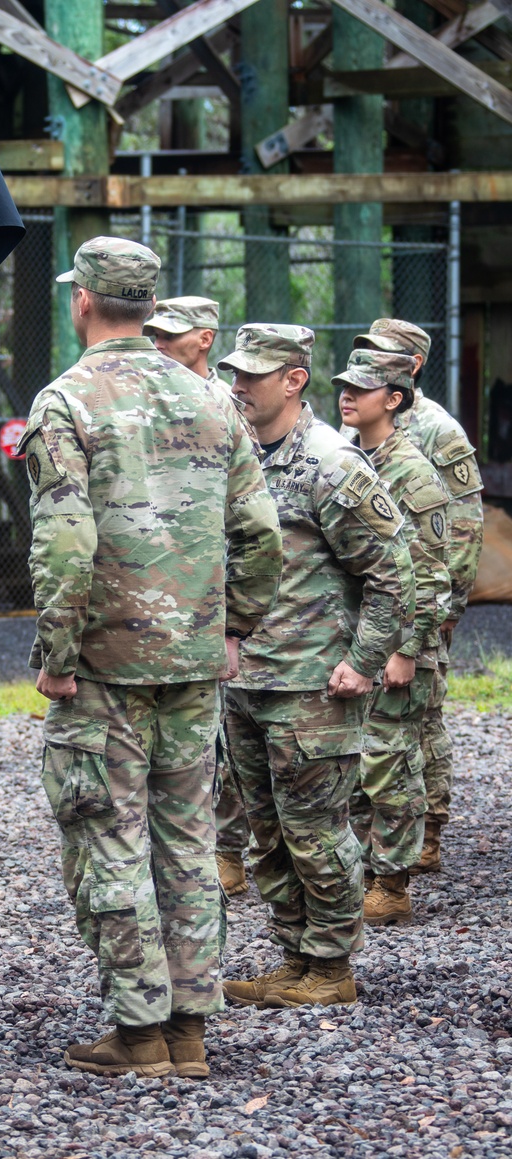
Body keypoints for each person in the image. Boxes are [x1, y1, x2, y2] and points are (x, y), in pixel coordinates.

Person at [20, 238, 281, 1078]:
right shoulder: (212, 401)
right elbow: (262, 533)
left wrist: (56, 651)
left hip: (104, 665)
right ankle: (190, 1030)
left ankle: (138, 1033)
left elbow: (65, 542)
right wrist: (235, 627)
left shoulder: (67, 401)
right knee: (187, 838)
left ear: (84, 303)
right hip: (194, 659)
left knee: (110, 837)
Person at [217, 324, 414, 1011]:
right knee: (268, 832)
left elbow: (394, 571)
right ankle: (295, 955)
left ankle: (330, 965)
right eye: (234, 373)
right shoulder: (239, 453)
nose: (238, 385)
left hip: (312, 687)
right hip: (245, 678)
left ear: (294, 379)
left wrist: (364, 663)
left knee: (315, 831)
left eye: (253, 375)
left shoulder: (331, 463)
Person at [351, 319, 484, 874]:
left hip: (421, 608)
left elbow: (462, 530)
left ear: (412, 367)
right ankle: (380, 843)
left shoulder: (436, 432)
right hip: (373, 612)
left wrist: (440, 614)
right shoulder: (356, 433)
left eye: (384, 357)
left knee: (418, 724)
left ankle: (425, 834)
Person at [144, 295, 254, 897]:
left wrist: (238, 615)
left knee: (227, 741)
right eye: (153, 331)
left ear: (205, 339)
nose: (158, 342)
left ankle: (227, 854)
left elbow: (250, 518)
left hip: (217, 600)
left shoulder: (225, 407)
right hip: (159, 595)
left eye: (172, 334)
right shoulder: (145, 398)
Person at [337, 349, 450, 924]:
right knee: (356, 763)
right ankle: (362, 869)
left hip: (401, 644)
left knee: (390, 760)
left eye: (363, 388)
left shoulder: (412, 470)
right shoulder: (351, 457)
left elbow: (432, 569)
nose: (347, 395)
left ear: (396, 399)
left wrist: (408, 649)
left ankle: (394, 883)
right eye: (345, 385)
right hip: (359, 637)